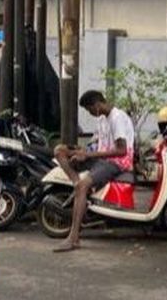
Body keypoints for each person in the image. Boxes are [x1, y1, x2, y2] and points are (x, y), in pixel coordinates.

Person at [52, 90, 135, 252]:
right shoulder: (103, 118)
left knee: (83, 186)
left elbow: (121, 151)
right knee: (59, 150)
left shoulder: (117, 118)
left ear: (96, 105)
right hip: (101, 158)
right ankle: (78, 187)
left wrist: (88, 155)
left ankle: (74, 238)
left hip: (117, 162)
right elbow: (98, 144)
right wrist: (81, 151)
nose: (90, 114)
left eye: (89, 110)